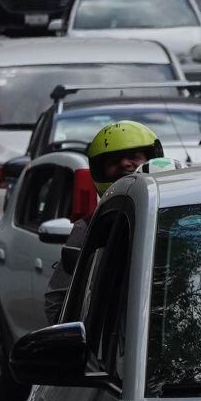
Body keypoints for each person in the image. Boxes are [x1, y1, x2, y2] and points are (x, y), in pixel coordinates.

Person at [43, 120, 163, 324]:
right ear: (101, 170)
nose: (126, 164)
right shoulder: (90, 227)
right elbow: (57, 304)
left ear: (151, 158)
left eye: (134, 157)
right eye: (114, 161)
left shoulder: (183, 221)